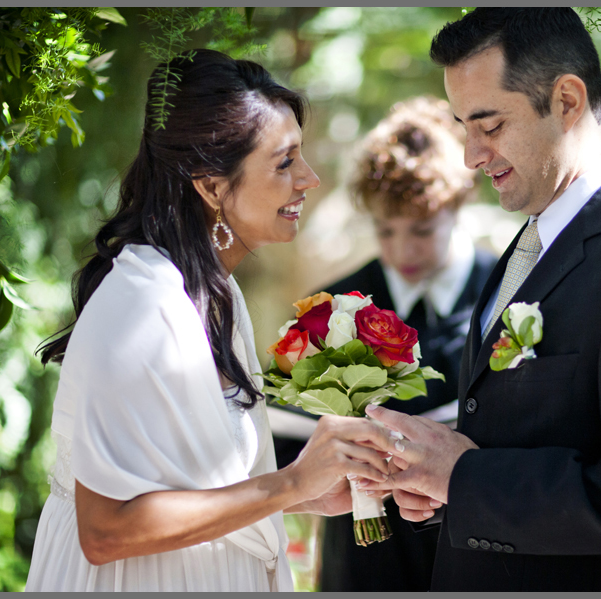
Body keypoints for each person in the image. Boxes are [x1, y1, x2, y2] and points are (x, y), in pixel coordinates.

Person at [359, 8, 601, 592]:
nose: (470, 156)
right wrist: (444, 489)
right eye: (463, 127)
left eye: (490, 126)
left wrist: (464, 477)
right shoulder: (531, 243)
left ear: (567, 101)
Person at [25, 49, 393, 592]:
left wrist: (311, 493)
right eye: (285, 162)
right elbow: (104, 531)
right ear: (212, 185)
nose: (309, 179)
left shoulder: (217, 293)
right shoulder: (139, 306)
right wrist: (291, 483)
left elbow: (191, 484)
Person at [268, 96, 496, 591]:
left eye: (422, 230)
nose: (402, 250)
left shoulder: (506, 294)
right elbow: (282, 442)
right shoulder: (334, 306)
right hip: (366, 560)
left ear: (458, 204)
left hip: (480, 552)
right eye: (385, 230)